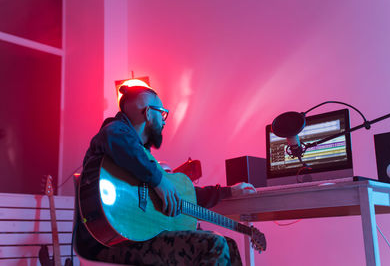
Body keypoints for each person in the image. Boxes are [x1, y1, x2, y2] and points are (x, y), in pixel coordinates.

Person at [75, 79, 256, 265]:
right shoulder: (114, 132)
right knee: (213, 244)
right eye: (161, 113)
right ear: (147, 113)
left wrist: (228, 191)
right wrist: (159, 181)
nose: (163, 120)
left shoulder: (144, 158)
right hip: (111, 242)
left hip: (138, 236)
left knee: (230, 245)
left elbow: (187, 197)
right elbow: (119, 139)